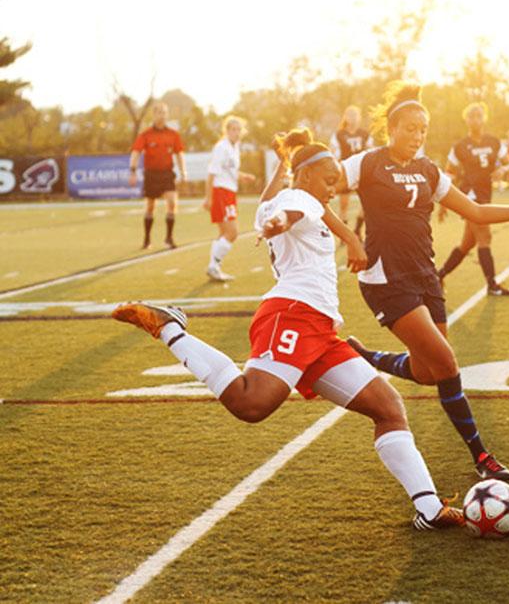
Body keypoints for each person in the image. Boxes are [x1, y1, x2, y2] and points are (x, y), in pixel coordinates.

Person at [111, 128, 464, 530]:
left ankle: (429, 509)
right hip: (294, 314)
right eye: (329, 180)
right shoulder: (299, 199)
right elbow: (290, 211)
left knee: (387, 408)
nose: (334, 189)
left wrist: (285, 169)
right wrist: (280, 221)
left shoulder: (288, 195)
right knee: (251, 404)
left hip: (320, 328)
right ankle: (171, 327)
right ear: (308, 177)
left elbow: (272, 204)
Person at [340, 81, 509, 482]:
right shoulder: (365, 163)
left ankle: (367, 357)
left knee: (430, 371)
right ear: (392, 128)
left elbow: (477, 212)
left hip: (425, 275)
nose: (417, 136)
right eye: (411, 128)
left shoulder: (429, 170)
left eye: (423, 130)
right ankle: (482, 457)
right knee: (448, 364)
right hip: (386, 279)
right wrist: (349, 237)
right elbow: (314, 189)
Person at [436, 103, 509, 296]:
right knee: (484, 237)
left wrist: (502, 169)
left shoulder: (494, 142)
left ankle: (438, 275)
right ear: (466, 120)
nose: (475, 119)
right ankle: (492, 285)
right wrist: (443, 201)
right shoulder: (460, 146)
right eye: (471, 116)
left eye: (478, 115)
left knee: (467, 244)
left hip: (485, 195)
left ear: (484, 118)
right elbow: (449, 173)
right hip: (469, 196)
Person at [204, 115, 256, 281]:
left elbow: (230, 171)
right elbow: (212, 173)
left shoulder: (235, 147)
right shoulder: (221, 147)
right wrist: (208, 198)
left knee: (223, 233)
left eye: (238, 129)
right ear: (226, 131)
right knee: (232, 233)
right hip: (221, 192)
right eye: (232, 129)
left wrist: (242, 176)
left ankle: (214, 267)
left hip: (229, 192)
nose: (236, 132)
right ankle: (213, 266)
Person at [129, 102, 187, 249]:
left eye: (164, 112)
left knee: (172, 203)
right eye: (159, 112)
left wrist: (183, 172)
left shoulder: (173, 134)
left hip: (167, 174)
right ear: (154, 115)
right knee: (150, 207)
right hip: (151, 175)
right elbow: (135, 153)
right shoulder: (146, 135)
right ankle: (147, 238)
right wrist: (133, 171)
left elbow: (179, 154)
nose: (162, 115)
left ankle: (169, 238)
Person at [331, 105, 373, 239]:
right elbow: (334, 153)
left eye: (355, 115)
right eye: (350, 115)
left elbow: (371, 152)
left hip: (362, 171)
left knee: (367, 204)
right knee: (343, 205)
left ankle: (357, 229)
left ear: (359, 117)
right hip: (345, 172)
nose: (353, 118)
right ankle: (344, 235)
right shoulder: (339, 134)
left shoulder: (365, 134)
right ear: (346, 117)